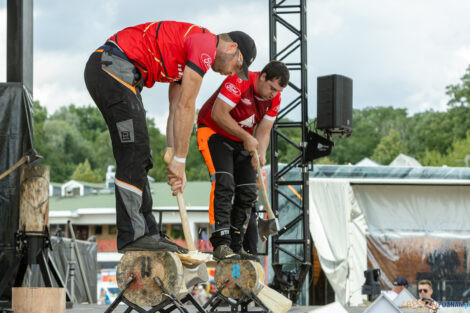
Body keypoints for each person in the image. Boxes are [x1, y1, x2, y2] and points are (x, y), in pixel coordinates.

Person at [84, 21, 257, 253]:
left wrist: (175, 157)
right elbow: (188, 106)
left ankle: (148, 232)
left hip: (119, 72)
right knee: (134, 151)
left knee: (141, 153)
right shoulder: (205, 46)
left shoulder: (188, 55)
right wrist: (181, 160)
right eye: (238, 65)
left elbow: (175, 109)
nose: (232, 73)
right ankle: (133, 236)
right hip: (112, 67)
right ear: (231, 47)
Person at [197, 60, 289, 260]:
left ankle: (236, 244)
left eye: (277, 91)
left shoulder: (275, 99)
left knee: (248, 191)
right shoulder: (240, 79)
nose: (273, 94)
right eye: (271, 88)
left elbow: (264, 131)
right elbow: (219, 113)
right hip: (213, 131)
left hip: (242, 140)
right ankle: (221, 243)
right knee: (224, 183)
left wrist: (262, 153)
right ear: (262, 77)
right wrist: (248, 137)